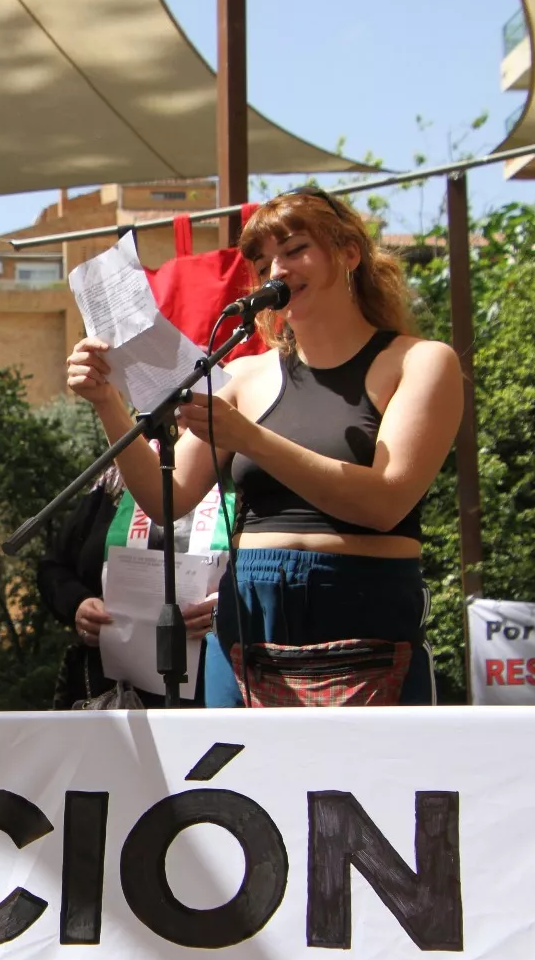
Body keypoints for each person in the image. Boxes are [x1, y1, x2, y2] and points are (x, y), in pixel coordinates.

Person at [66, 186, 462, 706]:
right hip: (249, 607)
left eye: (296, 249)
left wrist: (251, 438)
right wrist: (106, 402)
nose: (276, 270)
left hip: (360, 601)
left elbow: (386, 502)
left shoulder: (421, 361)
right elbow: (169, 499)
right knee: (241, 781)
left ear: (349, 254)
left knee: (359, 781)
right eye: (262, 260)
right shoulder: (243, 376)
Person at [38, 467, 215, 709]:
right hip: (116, 696)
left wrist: (231, 605)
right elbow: (53, 568)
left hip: (214, 690)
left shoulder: (240, 470)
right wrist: (78, 604)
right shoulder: (117, 477)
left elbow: (273, 569)